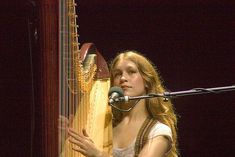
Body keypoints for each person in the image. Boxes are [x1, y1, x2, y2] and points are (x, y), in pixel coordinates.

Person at [68, 50, 178, 157]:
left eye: (131, 72)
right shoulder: (106, 127)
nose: (123, 78)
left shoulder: (158, 131)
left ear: (147, 81)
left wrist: (97, 154)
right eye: (117, 74)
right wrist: (66, 137)